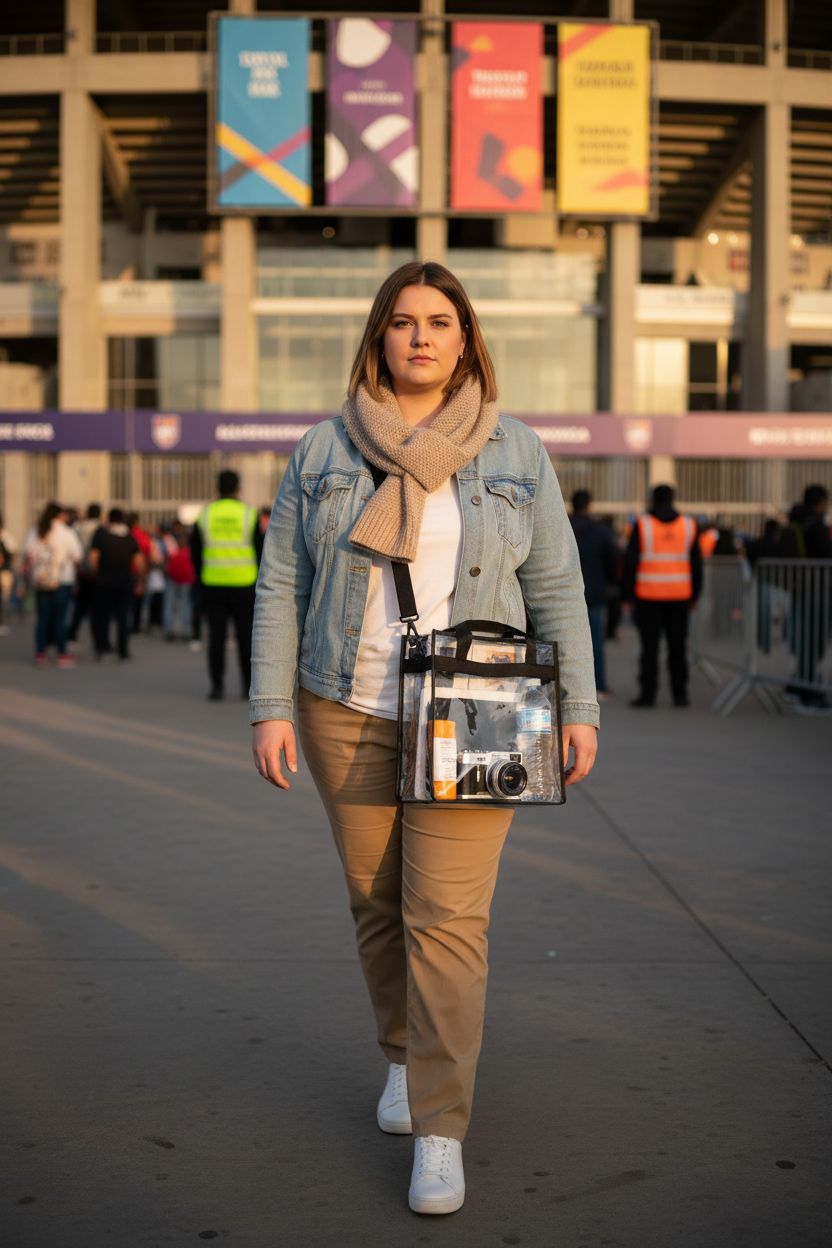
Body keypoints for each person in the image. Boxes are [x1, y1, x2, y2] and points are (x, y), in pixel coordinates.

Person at [249, 261, 599, 1216]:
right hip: (345, 703)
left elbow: (557, 588)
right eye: (403, 322)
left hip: (480, 709)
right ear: (378, 334)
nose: (420, 338)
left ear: (466, 338)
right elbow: (280, 581)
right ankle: (402, 1058)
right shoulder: (324, 448)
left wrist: (581, 707)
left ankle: (440, 1128)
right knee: (376, 904)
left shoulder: (516, 450)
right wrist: (270, 705)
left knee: (445, 921)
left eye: (440, 322)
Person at [623, 483, 702, 708]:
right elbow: (696, 564)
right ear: (673, 498)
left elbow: (631, 561)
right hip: (680, 597)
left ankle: (648, 695)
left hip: (648, 596)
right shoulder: (688, 525)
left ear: (653, 499)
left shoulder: (643, 524)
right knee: (678, 647)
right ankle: (680, 695)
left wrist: (627, 595)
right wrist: (695, 594)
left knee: (649, 649)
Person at [191, 470, 263, 700]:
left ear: (218, 487)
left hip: (213, 584)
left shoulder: (206, 515)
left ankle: (217, 686)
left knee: (216, 639)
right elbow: (261, 551)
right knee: (246, 639)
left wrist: (201, 579)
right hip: (245, 584)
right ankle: (247, 686)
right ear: (237, 488)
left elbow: (195, 552)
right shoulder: (249, 514)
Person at [569, 489, 618, 696]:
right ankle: (597, 685)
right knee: (595, 642)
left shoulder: (562, 526)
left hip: (566, 594)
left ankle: (567, 688)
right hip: (594, 592)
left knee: (563, 642)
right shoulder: (600, 530)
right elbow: (612, 560)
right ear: (589, 505)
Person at [23, 501, 83, 667]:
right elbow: (77, 556)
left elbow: (27, 554)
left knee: (43, 618)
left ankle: (40, 652)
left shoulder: (35, 531)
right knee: (60, 618)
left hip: (41, 580)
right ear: (60, 515)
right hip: (62, 580)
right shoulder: (66, 532)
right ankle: (61, 653)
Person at [89, 508, 144, 661]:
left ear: (109, 519)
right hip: (125, 582)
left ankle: (101, 647)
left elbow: (93, 558)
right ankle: (123, 650)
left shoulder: (102, 536)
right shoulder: (130, 538)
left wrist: (96, 574)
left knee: (102, 616)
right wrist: (140, 581)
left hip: (104, 582)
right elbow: (139, 562)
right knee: (123, 617)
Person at [68, 503, 102, 644]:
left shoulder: (77, 527)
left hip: (81, 570)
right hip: (96, 572)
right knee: (97, 608)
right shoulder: (101, 528)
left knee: (80, 606)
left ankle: (72, 632)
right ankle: (98, 637)